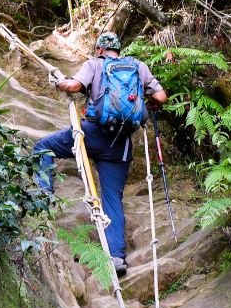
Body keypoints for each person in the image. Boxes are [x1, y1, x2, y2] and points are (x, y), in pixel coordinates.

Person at [35, 32, 167, 276]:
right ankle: (117, 258)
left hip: (92, 134)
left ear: (99, 49)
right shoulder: (138, 66)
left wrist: (60, 82)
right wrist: (150, 106)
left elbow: (74, 86)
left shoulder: (95, 64)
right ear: (118, 50)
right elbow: (160, 96)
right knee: (112, 200)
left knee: (42, 148)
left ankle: (41, 200)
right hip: (120, 145)